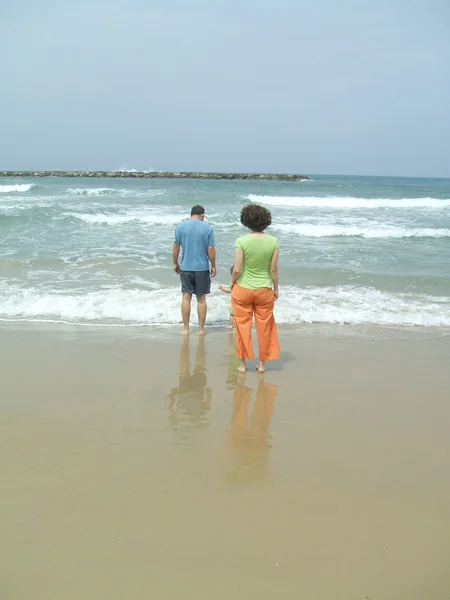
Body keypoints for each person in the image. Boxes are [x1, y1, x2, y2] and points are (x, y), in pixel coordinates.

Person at [231, 204, 280, 373]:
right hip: (264, 289)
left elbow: (237, 268)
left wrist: (232, 283)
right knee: (265, 327)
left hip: (243, 288)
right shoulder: (273, 241)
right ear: (266, 220)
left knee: (242, 325)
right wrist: (276, 288)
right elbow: (273, 269)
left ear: (246, 221)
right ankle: (261, 364)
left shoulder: (241, 241)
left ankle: (243, 365)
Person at [173, 205, 216, 335]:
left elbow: (176, 247)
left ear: (191, 214)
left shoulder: (180, 226)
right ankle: (201, 330)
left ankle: (186, 329)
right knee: (201, 299)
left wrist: (175, 263)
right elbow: (211, 249)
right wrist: (213, 265)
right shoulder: (208, 228)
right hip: (202, 268)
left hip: (186, 267)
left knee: (186, 298)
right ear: (202, 215)